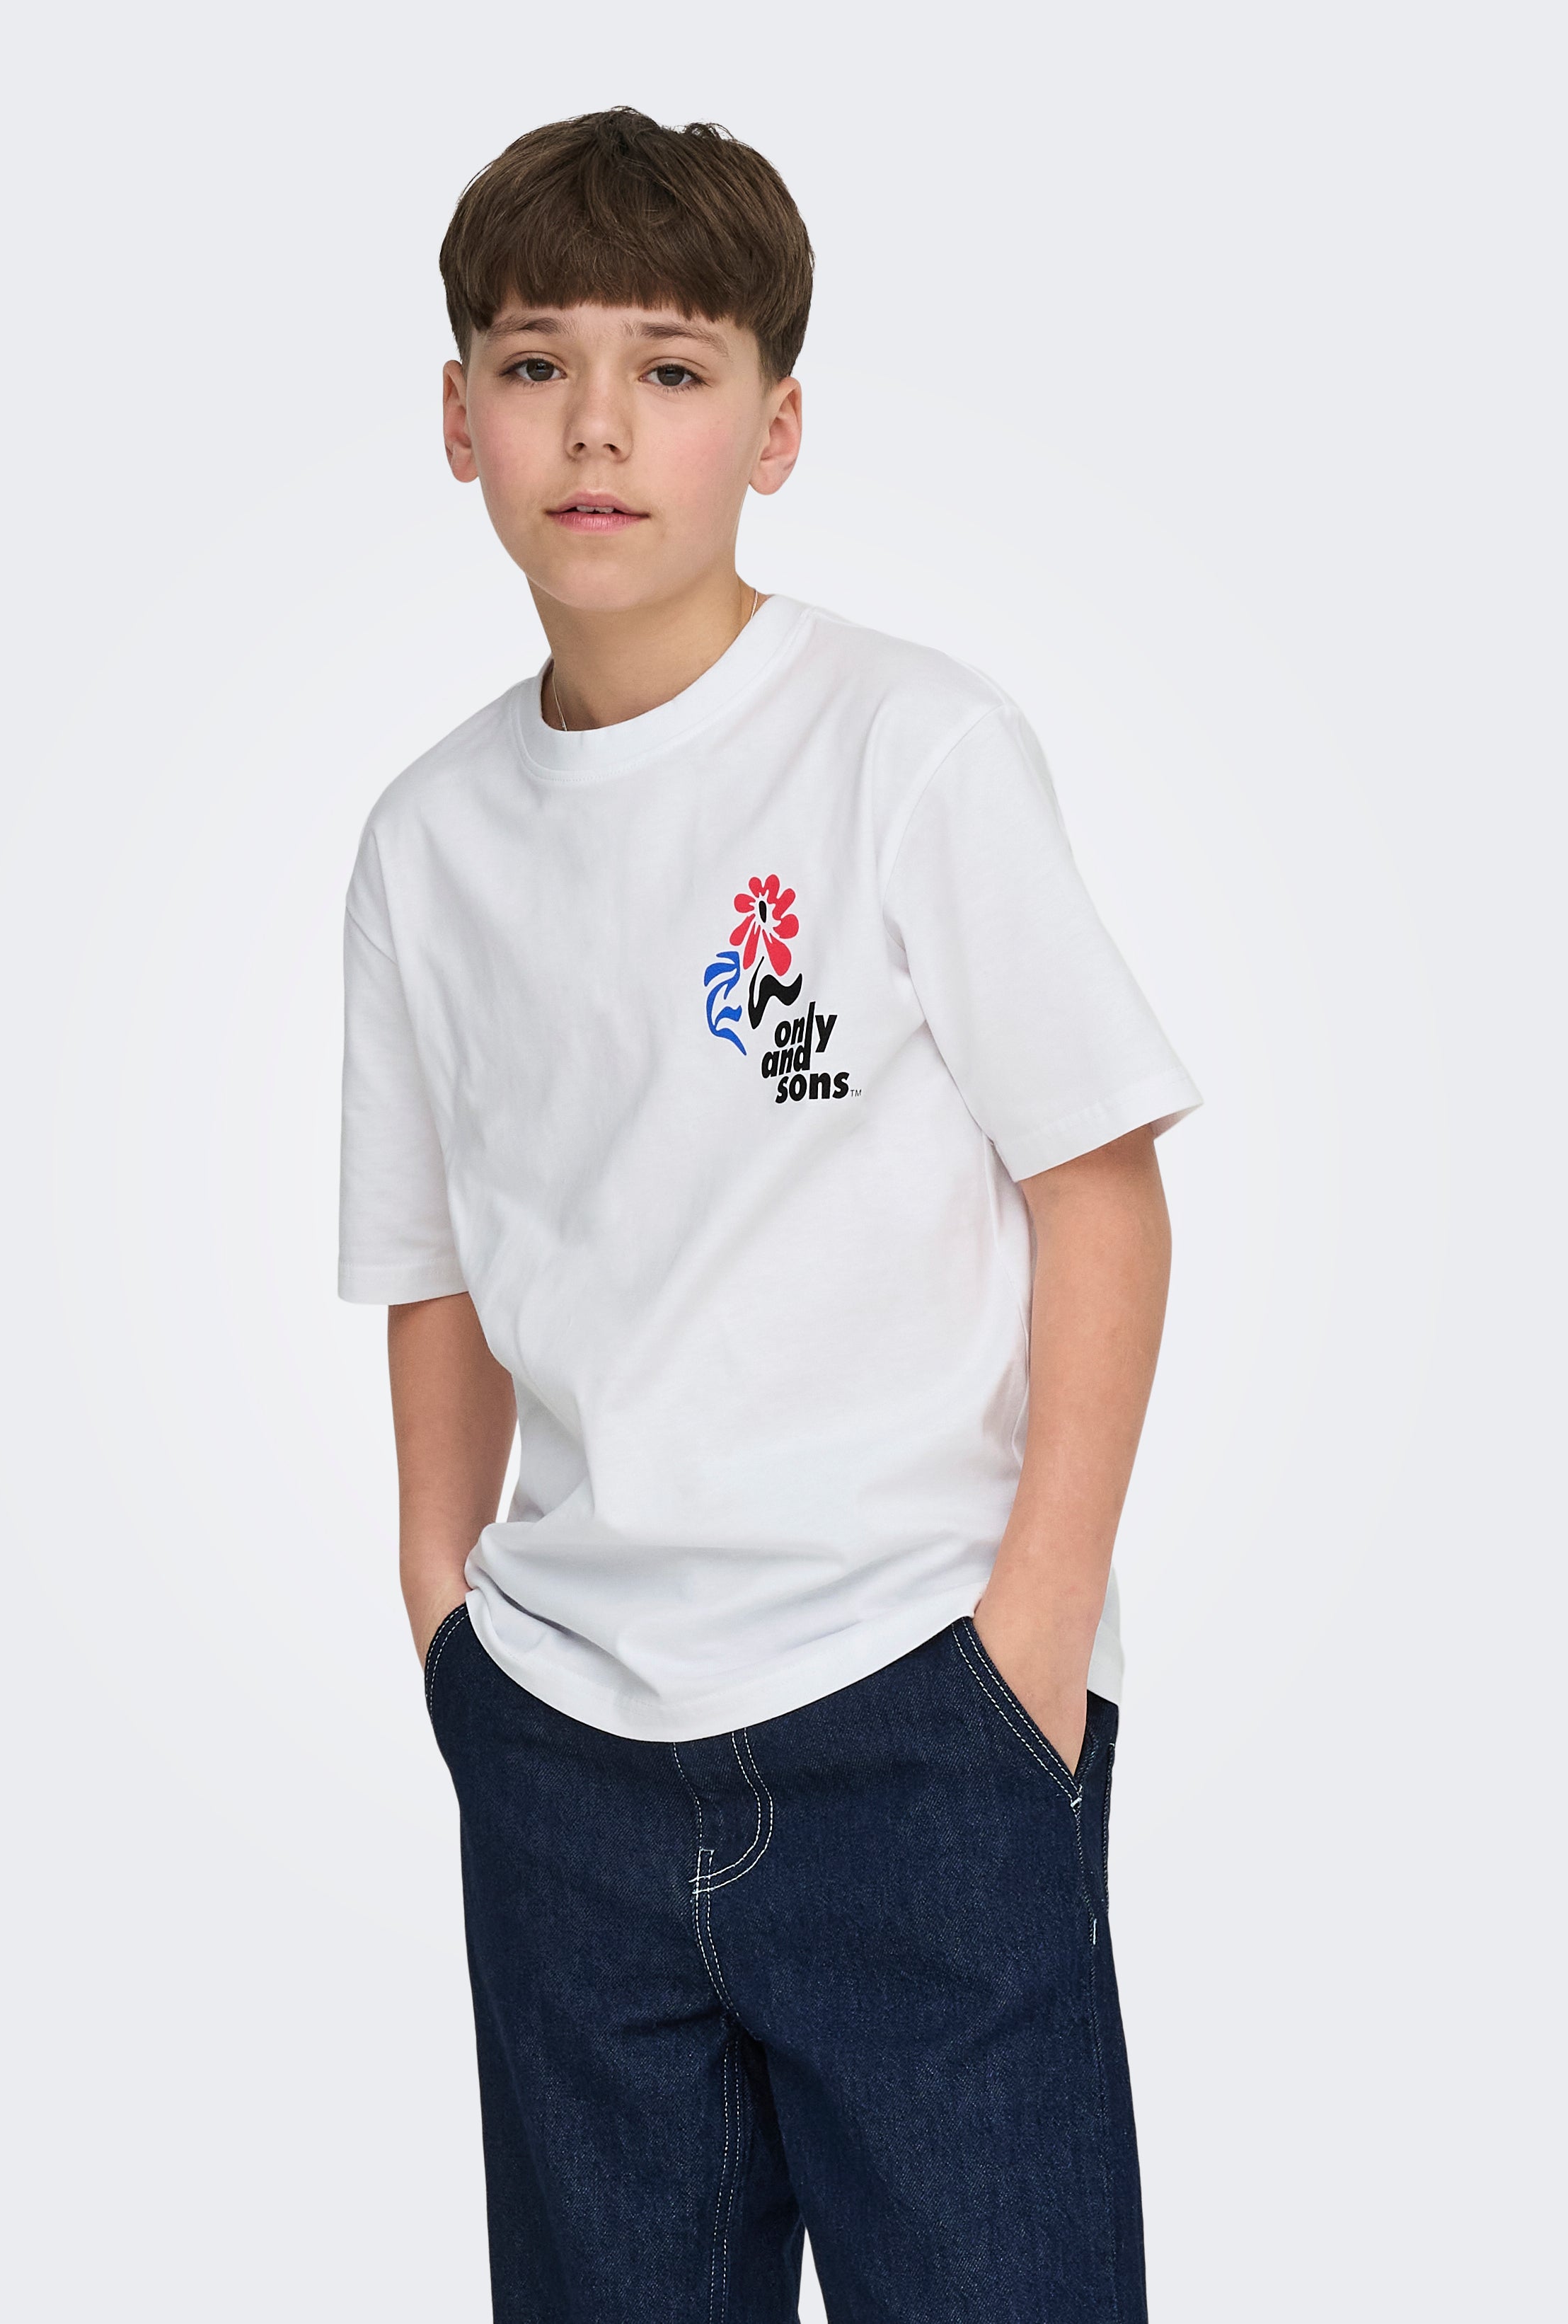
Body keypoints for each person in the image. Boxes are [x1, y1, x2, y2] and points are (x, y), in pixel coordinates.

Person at [339, 105, 1199, 2324]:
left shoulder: (907, 747)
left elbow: (1098, 1192)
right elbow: (434, 1266)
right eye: (535, 363)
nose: (598, 424)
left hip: (917, 1710)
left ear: (777, 427)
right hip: (564, 1747)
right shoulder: (429, 840)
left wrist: (1030, 1643)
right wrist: (448, 1621)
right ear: (457, 416)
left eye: (673, 366)